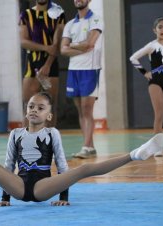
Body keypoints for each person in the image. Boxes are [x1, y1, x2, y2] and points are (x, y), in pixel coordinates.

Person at [0, 92, 163, 206]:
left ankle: (137, 154)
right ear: (26, 111)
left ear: (49, 116)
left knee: (84, 168)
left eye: (40, 108)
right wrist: (5, 199)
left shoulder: (52, 133)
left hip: (41, 188)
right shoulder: (15, 134)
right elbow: (7, 167)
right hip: (17, 185)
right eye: (31, 106)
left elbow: (64, 168)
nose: (34, 110)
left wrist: (63, 198)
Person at [60, 0, 103, 159]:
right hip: (74, 71)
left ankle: (86, 146)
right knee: (80, 110)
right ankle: (89, 147)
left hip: (90, 70)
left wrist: (73, 45)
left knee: (87, 109)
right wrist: (81, 46)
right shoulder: (70, 24)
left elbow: (90, 43)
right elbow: (63, 50)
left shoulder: (96, 19)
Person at [130, 17, 163, 157]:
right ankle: (157, 147)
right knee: (159, 115)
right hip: (155, 83)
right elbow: (133, 58)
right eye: (160, 27)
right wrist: (144, 72)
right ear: (155, 30)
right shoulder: (152, 46)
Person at [19, 0, 65, 126]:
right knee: (28, 105)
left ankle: (49, 141)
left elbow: (56, 44)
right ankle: (26, 141)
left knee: (50, 105)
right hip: (31, 64)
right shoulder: (26, 15)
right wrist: (45, 47)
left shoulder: (58, 14)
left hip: (50, 65)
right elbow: (23, 41)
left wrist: (47, 65)